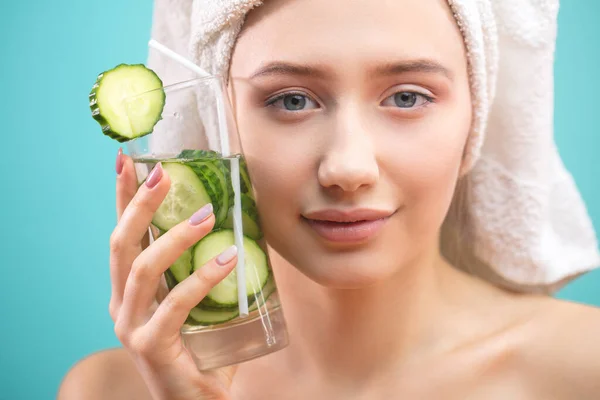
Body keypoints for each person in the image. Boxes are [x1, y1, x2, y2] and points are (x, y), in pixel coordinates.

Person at [59, 0, 600, 398]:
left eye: (407, 96)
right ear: (217, 119)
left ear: (475, 118)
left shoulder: (582, 371)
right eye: (292, 100)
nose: (347, 168)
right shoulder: (113, 390)